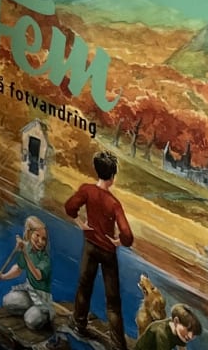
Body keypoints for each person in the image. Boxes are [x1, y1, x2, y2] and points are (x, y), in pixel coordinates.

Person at [65, 150, 135, 350]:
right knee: (113, 302)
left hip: (90, 246)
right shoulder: (114, 203)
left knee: (84, 287)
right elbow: (128, 236)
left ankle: (79, 324)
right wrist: (117, 242)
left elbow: (70, 207)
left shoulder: (87, 190)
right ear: (112, 177)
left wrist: (81, 224)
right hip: (107, 252)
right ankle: (118, 345)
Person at [0, 216, 53, 331]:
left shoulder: (45, 259)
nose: (41, 241)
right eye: (37, 236)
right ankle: (30, 308)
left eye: (44, 238)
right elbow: (18, 269)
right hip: (29, 292)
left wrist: (25, 254)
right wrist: (3, 276)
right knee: (7, 301)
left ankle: (40, 313)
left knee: (30, 321)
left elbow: (38, 275)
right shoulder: (28, 249)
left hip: (42, 299)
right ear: (29, 233)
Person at [133, 304, 203, 350]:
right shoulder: (161, 332)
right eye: (188, 330)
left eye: (194, 334)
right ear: (176, 321)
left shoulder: (180, 334)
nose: (190, 336)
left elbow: (182, 347)